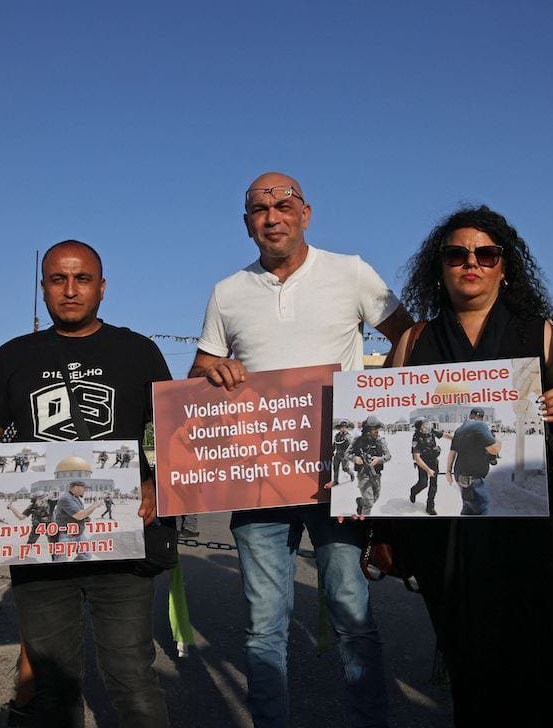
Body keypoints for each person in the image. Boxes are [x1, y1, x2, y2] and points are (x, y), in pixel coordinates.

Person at [190, 171, 412, 728]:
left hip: (337, 476)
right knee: (264, 626)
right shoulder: (227, 292)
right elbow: (199, 372)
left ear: (305, 214)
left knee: (352, 616)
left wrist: (383, 405)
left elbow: (409, 337)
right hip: (258, 479)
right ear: (247, 223)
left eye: (284, 205)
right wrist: (214, 371)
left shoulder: (350, 271)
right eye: (259, 210)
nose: (272, 217)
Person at [0, 239, 170, 728]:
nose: (71, 290)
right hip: (42, 549)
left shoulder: (137, 351)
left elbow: (174, 431)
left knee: (130, 675)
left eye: (82, 279)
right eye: (58, 279)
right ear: (43, 288)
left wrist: (157, 484)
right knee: (53, 685)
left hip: (122, 542)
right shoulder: (15, 354)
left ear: (102, 288)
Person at [386, 205, 553, 726]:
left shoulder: (540, 334)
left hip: (530, 532)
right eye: (456, 254)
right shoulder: (413, 342)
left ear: (504, 267)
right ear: (439, 268)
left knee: (540, 671)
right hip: (445, 538)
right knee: (468, 669)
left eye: (485, 254)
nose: (470, 263)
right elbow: (390, 433)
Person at [445, 407, 502, 515]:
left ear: (470, 415)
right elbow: (494, 450)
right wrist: (499, 443)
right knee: (483, 507)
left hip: (460, 476)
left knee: (468, 508)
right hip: (472, 478)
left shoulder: (459, 430)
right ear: (480, 417)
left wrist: (448, 472)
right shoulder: (480, 425)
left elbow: (452, 452)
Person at [348, 416, 390, 516]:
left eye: (377, 428)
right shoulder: (358, 440)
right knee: (369, 503)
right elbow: (347, 453)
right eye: (374, 428)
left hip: (376, 474)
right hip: (363, 474)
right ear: (367, 429)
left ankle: (361, 502)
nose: (377, 431)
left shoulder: (380, 440)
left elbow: (388, 456)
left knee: (376, 496)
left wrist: (379, 459)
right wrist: (355, 459)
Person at [408, 419, 443, 515]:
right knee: (423, 483)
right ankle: (413, 491)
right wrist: (428, 470)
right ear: (419, 428)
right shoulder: (416, 438)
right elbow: (417, 458)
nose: (427, 426)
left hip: (433, 461)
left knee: (433, 485)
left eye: (427, 424)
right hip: (422, 463)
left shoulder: (431, 431)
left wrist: (458, 439)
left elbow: (444, 435)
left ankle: (430, 506)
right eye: (424, 425)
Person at [330, 421, 355, 486]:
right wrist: (331, 451)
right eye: (342, 427)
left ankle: (351, 474)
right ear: (340, 428)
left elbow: (351, 446)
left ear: (346, 428)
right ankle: (335, 481)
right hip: (337, 454)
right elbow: (334, 444)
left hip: (344, 455)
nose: (343, 429)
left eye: (345, 427)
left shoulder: (348, 436)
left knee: (345, 468)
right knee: (335, 467)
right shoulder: (337, 436)